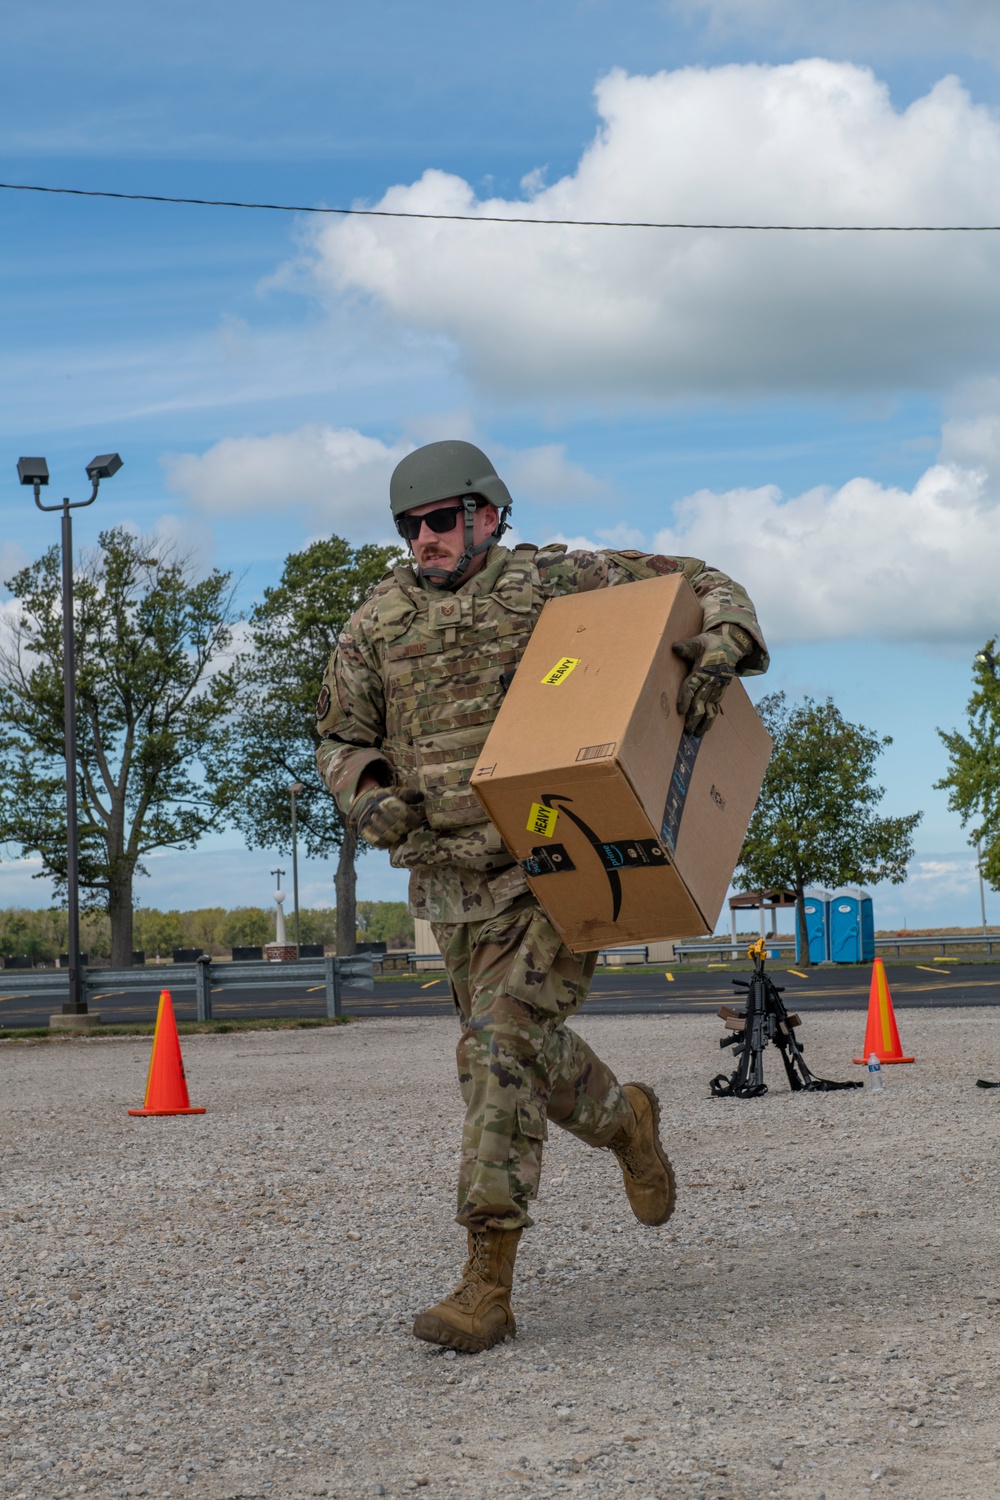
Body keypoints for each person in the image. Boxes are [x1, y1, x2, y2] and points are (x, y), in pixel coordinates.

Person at [316, 440, 768, 1353]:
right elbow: (340, 733)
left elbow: (700, 580)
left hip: (556, 859)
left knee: (498, 1046)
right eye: (409, 526)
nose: (424, 538)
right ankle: (627, 1123)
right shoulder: (375, 622)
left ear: (487, 513)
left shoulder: (557, 581)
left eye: (440, 519)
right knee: (519, 1052)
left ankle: (488, 1283)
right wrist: (369, 797)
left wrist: (723, 638)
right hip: (447, 882)